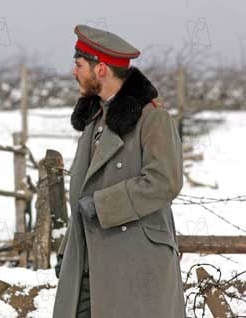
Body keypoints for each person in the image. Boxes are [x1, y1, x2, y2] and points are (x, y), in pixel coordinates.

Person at [53, 25, 185, 318]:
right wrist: (68, 248)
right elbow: (86, 189)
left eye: (79, 65)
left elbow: (165, 181)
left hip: (136, 261)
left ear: (100, 69)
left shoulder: (153, 117)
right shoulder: (95, 117)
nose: (74, 72)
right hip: (89, 259)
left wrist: (102, 206)